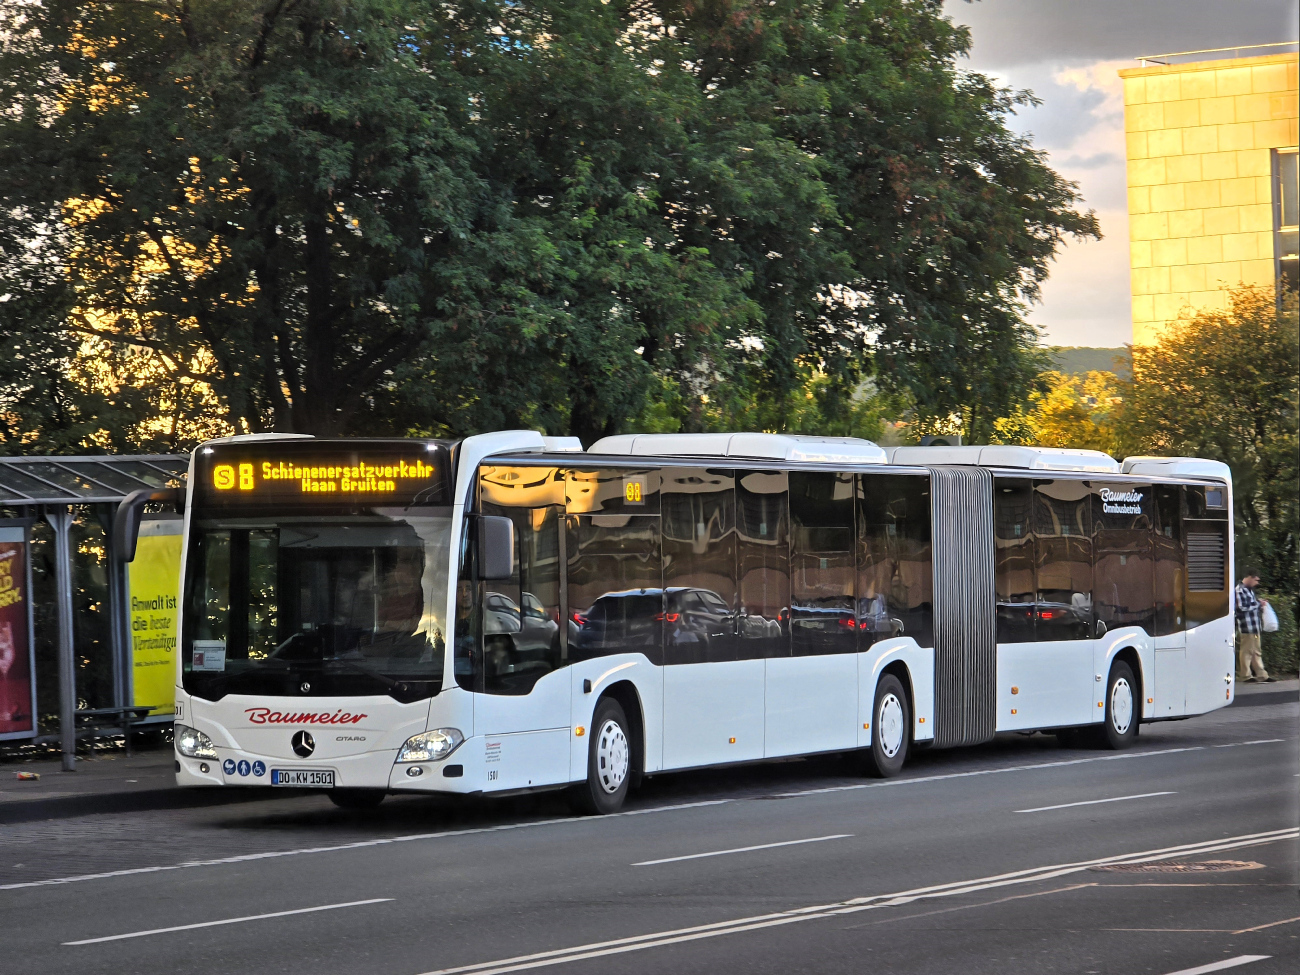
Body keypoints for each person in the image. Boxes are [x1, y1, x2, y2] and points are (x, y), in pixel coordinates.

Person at [1234, 570, 1275, 683]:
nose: (1257, 583)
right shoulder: (1239, 590)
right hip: (1247, 627)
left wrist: (1258, 603)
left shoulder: (1248, 590)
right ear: (1249, 577)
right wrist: (1258, 604)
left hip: (1255, 627)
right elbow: (1241, 607)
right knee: (1246, 651)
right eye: (1256, 580)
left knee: (1256, 651)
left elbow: (1250, 605)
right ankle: (1245, 676)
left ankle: (1262, 675)